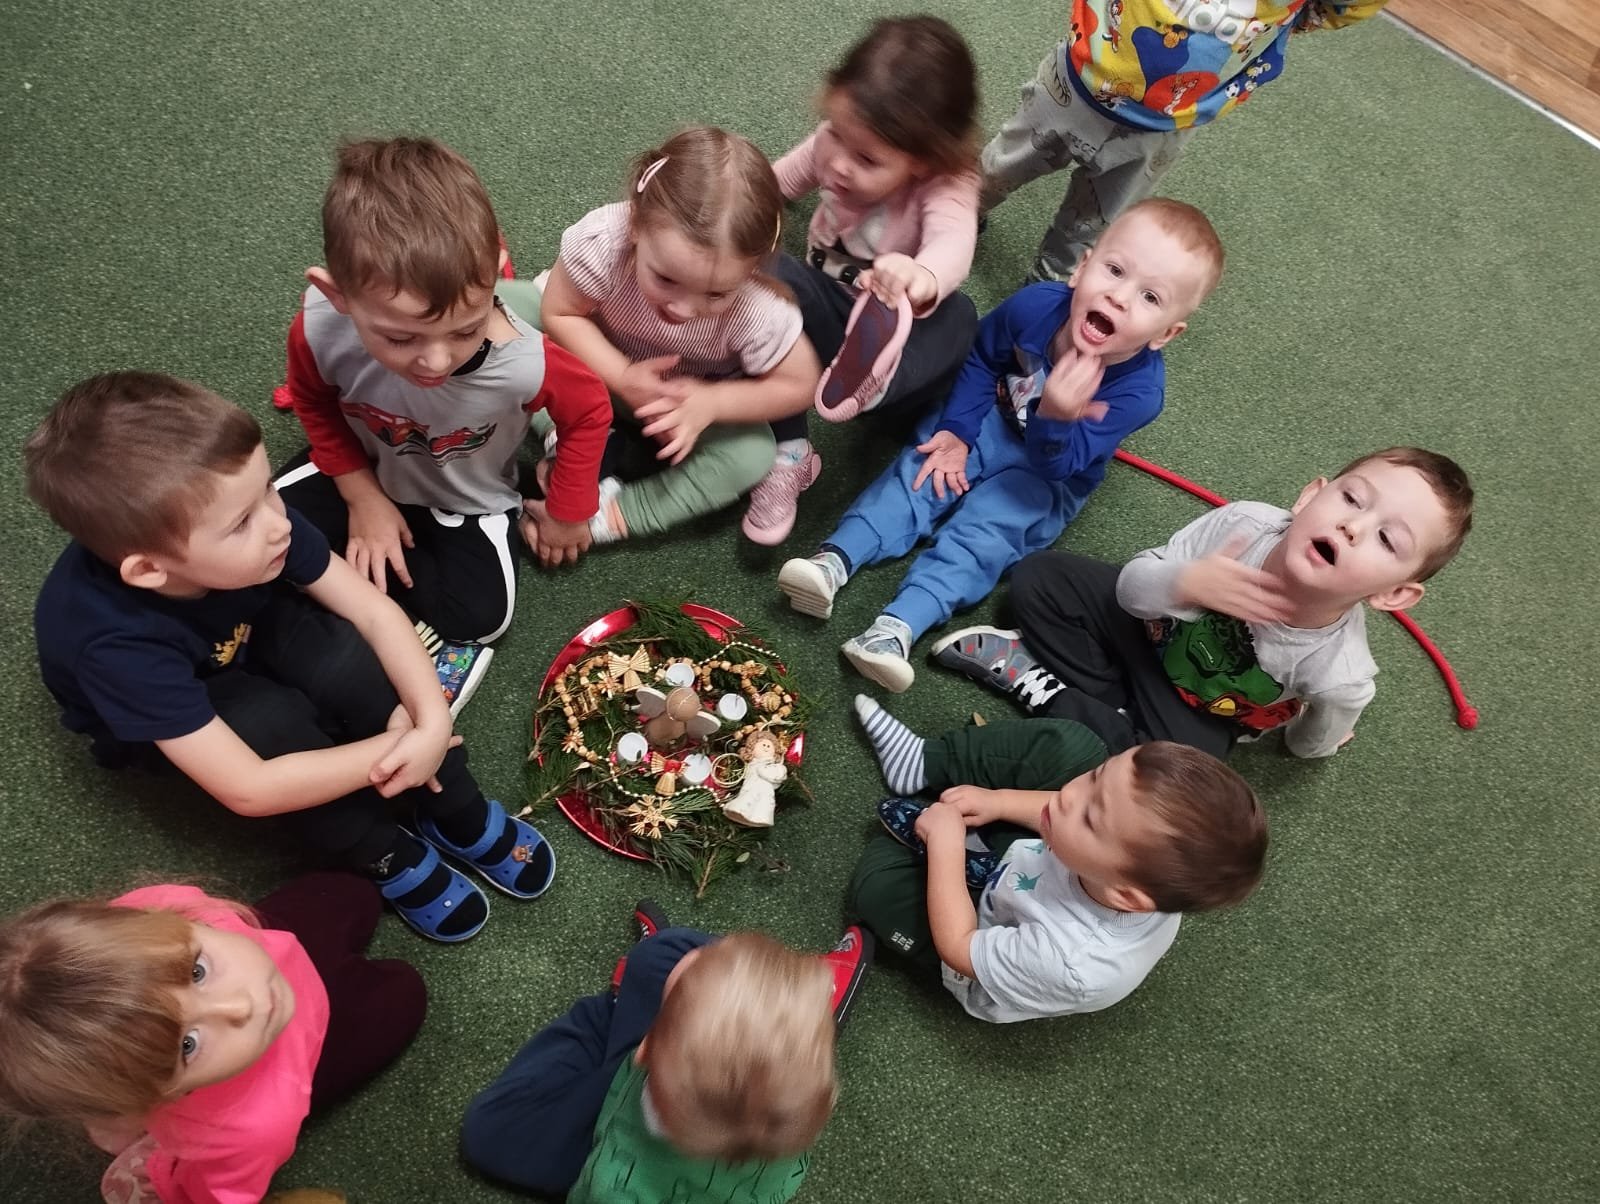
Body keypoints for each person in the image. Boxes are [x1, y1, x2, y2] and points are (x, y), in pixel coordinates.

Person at [26, 373, 555, 943]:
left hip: (250, 620)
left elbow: (374, 613)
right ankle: (383, 852)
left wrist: (430, 722)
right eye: (241, 523)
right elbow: (249, 787)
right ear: (150, 570)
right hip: (183, 700)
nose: (279, 522)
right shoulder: (112, 648)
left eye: (267, 490)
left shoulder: (264, 531)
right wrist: (398, 749)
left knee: (349, 661)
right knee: (270, 729)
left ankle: (457, 808)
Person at [778, 197, 1222, 692]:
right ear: (1081, 268)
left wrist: (1056, 418)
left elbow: (1059, 466)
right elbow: (982, 358)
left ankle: (895, 630)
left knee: (987, 534)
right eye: (1115, 270)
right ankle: (834, 560)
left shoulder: (1139, 394)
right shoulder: (1036, 305)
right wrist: (957, 430)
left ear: (1166, 334)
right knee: (921, 474)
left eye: (1150, 298)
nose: (1119, 297)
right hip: (992, 415)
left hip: (1052, 471)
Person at [274, 137, 612, 705]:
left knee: (484, 618)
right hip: (366, 470)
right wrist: (362, 498)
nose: (435, 361)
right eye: (400, 337)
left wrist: (569, 510)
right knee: (259, 528)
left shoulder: (525, 360)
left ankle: (351, 590)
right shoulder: (317, 329)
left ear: (494, 280)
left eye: (465, 329)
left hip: (466, 496)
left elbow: (590, 412)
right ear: (337, 295)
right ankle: (359, 589)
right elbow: (313, 401)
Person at [933, 446, 1474, 759]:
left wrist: (1320, 740)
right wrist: (1185, 585)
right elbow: (1132, 589)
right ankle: (1114, 713)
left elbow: (1311, 740)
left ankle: (1044, 689)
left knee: (1179, 769)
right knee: (1040, 577)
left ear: (1394, 594)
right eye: (1352, 498)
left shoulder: (1341, 671)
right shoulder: (1245, 522)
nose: (1353, 526)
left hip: (1200, 711)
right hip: (1144, 631)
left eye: (1387, 540)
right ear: (1311, 495)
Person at [0, 875, 425, 1203]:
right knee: (404, 994)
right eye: (188, 1046)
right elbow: (215, 1195)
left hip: (273, 943)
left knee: (351, 891)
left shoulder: (154, 922)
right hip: (309, 1057)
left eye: (197, 972)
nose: (241, 1005)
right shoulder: (247, 1131)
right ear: (160, 1097)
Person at [847, 696, 1266, 1023]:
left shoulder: (1070, 961)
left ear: (1124, 895)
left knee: (877, 887)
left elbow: (959, 948)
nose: (1069, 795)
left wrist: (946, 849)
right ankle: (925, 762)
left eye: (1090, 817)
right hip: (1034, 863)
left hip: (980, 937)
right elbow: (1071, 805)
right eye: (1097, 777)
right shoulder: (1130, 865)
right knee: (1075, 746)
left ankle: (946, 843)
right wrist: (998, 802)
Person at [460, 902, 873, 1202]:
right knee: (666, 953)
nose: (701, 952)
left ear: (643, 1051)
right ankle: (791, 1006)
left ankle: (615, 1006)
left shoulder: (612, 1187)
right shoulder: (785, 1125)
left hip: (619, 1131)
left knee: (487, 1132)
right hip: (692, 1084)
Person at [539, 126, 822, 548]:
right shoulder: (604, 241)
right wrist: (621, 376)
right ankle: (567, 432)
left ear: (751, 270)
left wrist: (712, 403)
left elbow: (801, 383)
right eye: (667, 279)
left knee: (754, 454)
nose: (684, 310)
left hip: (677, 407)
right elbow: (558, 312)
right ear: (635, 225)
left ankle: (612, 516)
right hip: (594, 364)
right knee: (497, 317)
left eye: (716, 293)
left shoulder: (757, 309)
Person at [759, 15, 982, 537]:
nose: (838, 164)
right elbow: (773, 184)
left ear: (925, 161)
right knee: (771, 272)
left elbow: (954, 241)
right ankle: (793, 451)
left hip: (894, 336)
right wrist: (715, 209)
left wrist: (920, 275)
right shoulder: (836, 144)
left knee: (962, 316)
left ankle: (878, 384)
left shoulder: (947, 184)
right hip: (826, 307)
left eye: (865, 158)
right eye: (835, 132)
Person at [982, 2, 1389, 282]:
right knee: (1001, 167)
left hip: (1166, 123)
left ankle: (1045, 288)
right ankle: (964, 210)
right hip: (1077, 79)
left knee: (1091, 220)